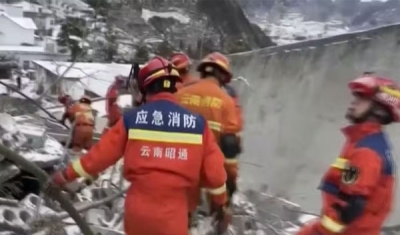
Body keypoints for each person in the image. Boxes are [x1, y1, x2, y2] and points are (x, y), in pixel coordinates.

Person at [51, 56, 229, 235]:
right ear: (176, 86)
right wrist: (220, 203)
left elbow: (97, 158)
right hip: (174, 215)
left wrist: (65, 175)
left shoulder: (132, 120)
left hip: (138, 212)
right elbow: (215, 175)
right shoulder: (198, 125)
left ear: (146, 88)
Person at [297, 75, 398, 235]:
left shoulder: (366, 151)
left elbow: (350, 208)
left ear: (379, 109)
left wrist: (318, 232)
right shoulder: (368, 142)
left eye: (362, 98)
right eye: (356, 96)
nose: (353, 101)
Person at [175, 52, 241, 230]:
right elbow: (229, 147)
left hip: (171, 167)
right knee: (215, 217)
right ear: (223, 76)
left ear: (202, 71)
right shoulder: (226, 102)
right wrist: (231, 181)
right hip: (205, 172)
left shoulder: (180, 95)